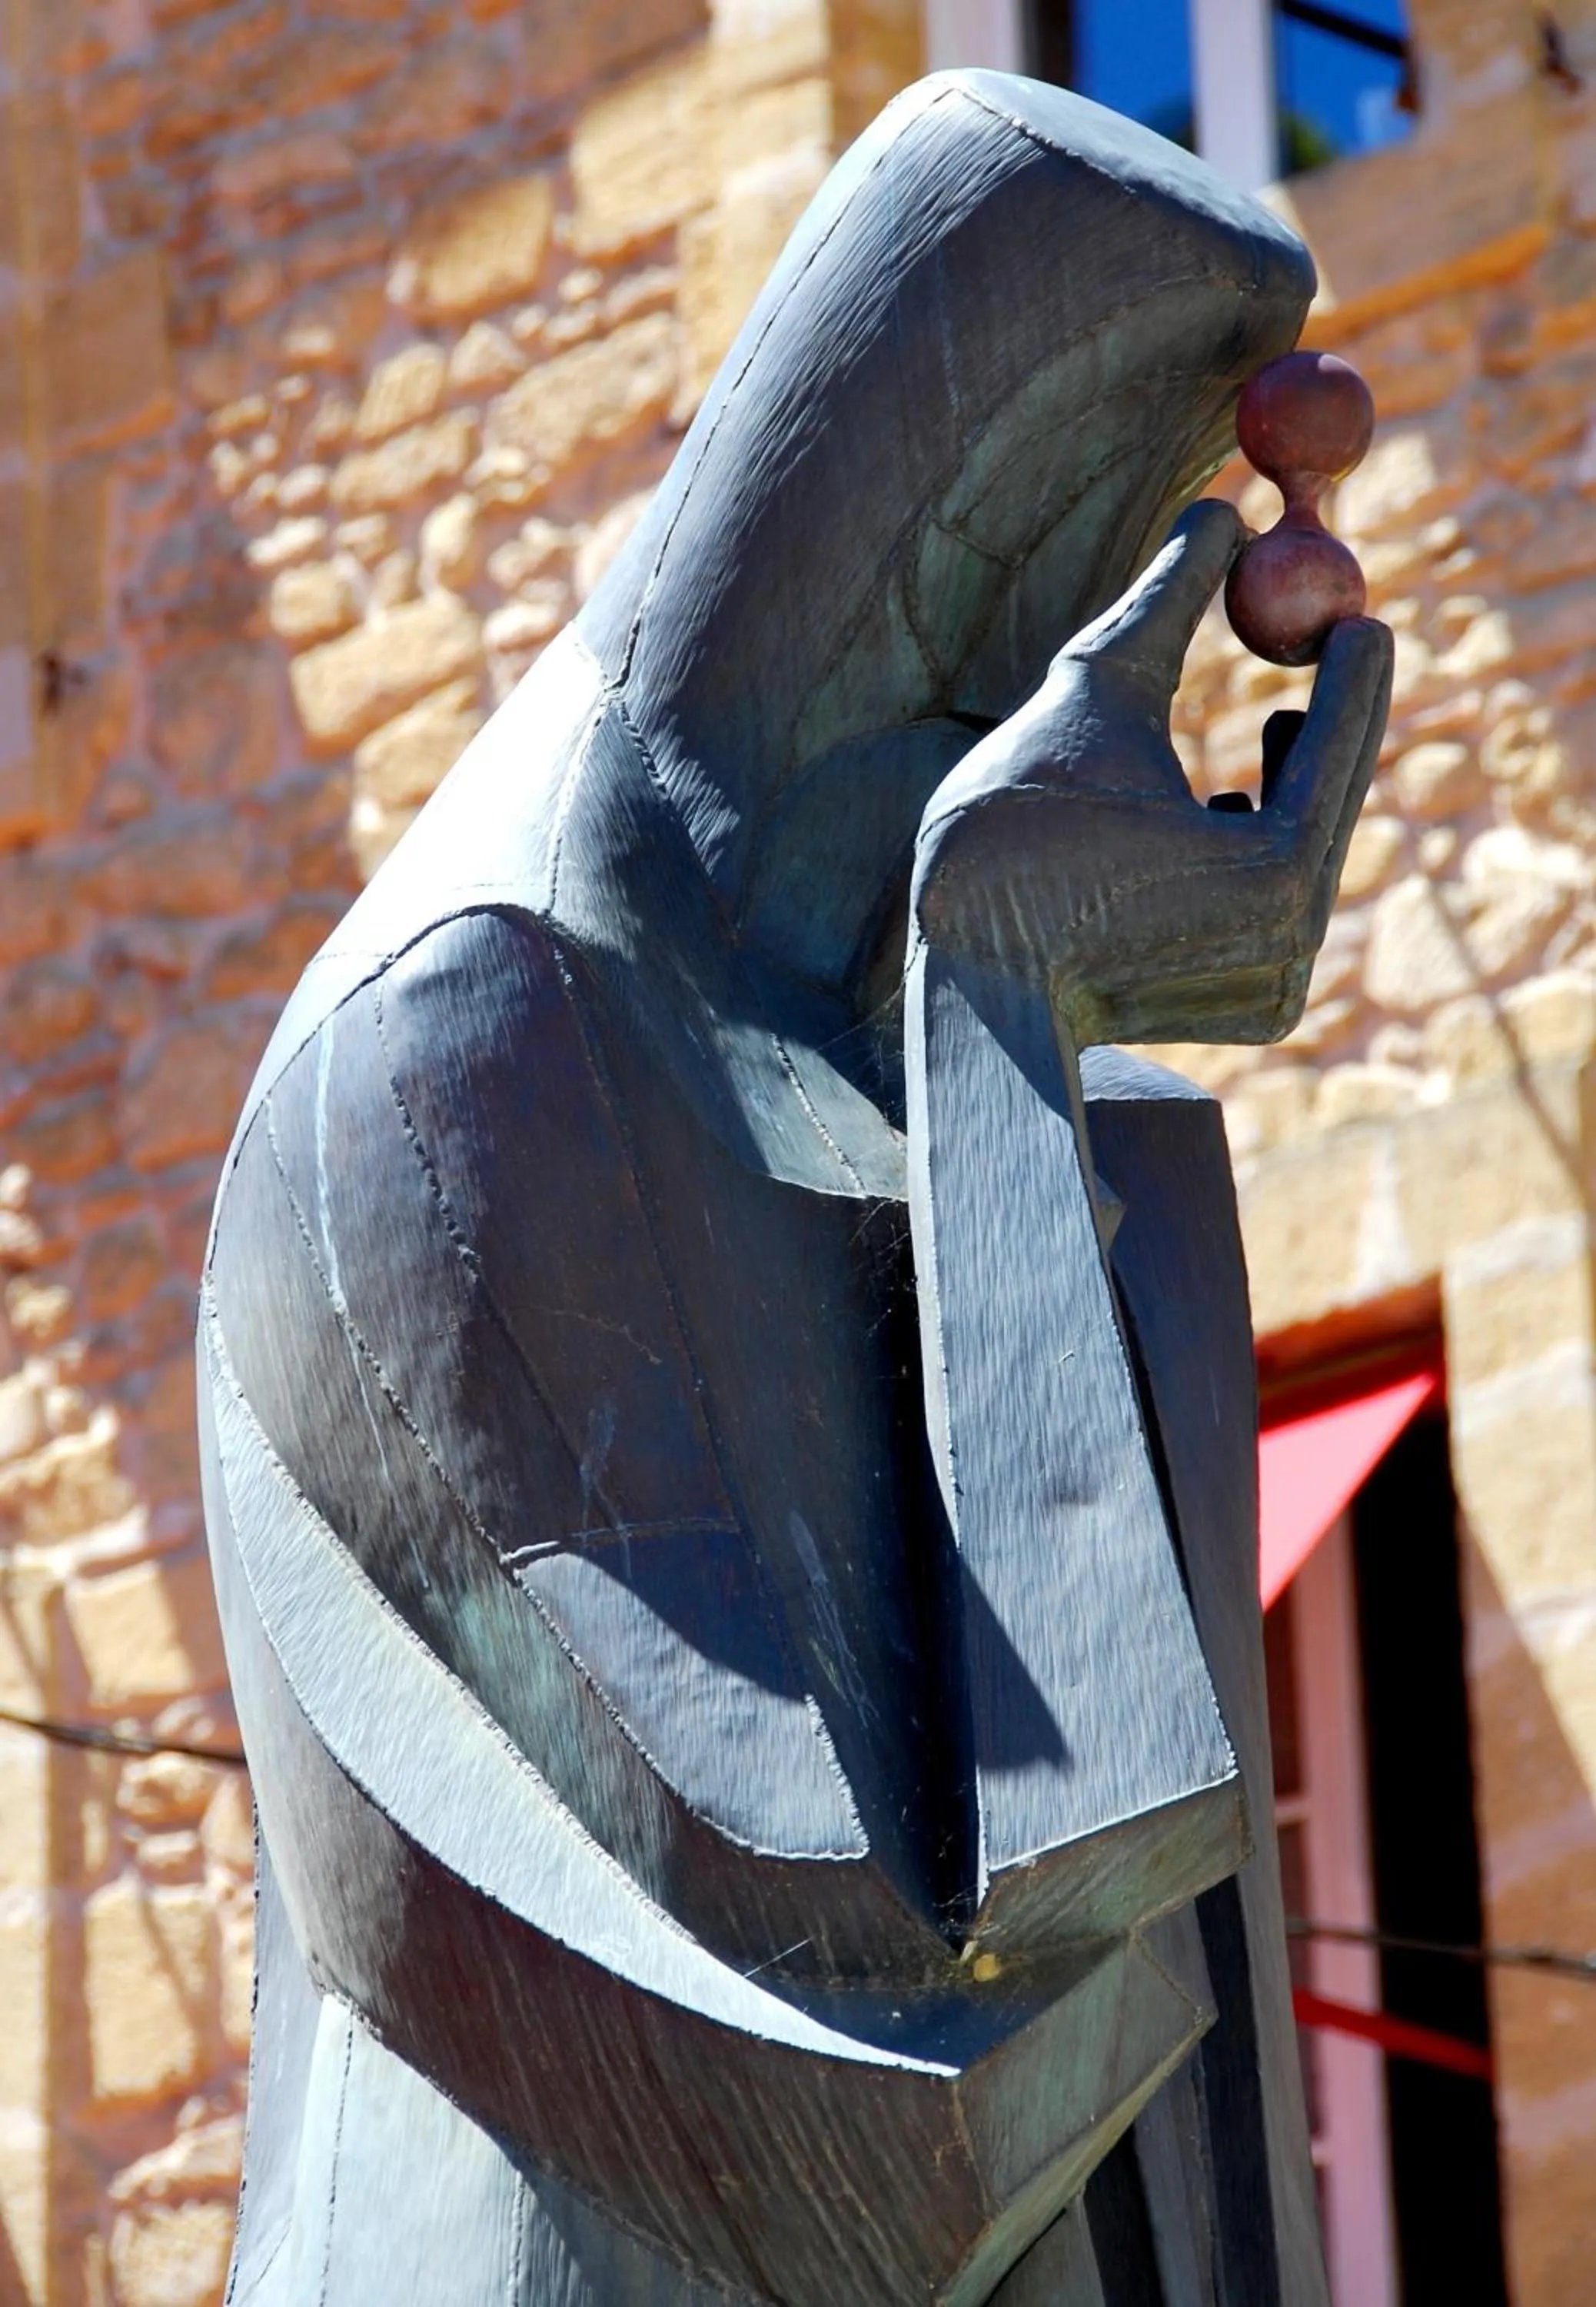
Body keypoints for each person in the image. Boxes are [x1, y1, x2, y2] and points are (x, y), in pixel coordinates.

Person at [202, 68, 1389, 2304]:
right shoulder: (457, 1050)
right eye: (1008, 589)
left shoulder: (1037, 1101)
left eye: (1142, 578)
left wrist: (1057, 1077)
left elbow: (1198, 2150)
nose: (1043, 710)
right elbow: (898, 2070)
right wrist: (998, 995)